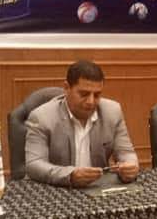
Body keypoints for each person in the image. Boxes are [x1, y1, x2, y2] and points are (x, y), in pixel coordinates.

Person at [25, 59, 139, 187]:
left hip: (97, 189)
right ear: (67, 88)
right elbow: (34, 164)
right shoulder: (42, 117)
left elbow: (126, 153)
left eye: (97, 95)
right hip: (54, 189)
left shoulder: (112, 112)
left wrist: (130, 167)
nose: (91, 101)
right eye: (84, 94)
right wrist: (70, 175)